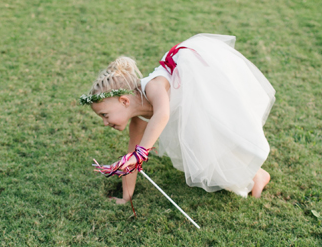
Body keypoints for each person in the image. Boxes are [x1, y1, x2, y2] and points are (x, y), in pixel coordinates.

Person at [81, 33, 275, 204]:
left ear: (124, 101)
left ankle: (257, 172)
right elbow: (131, 158)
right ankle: (257, 176)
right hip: (191, 109)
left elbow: (162, 114)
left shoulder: (153, 86)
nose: (105, 123)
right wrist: (126, 197)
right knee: (206, 151)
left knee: (225, 135)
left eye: (104, 115)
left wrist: (140, 153)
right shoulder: (138, 121)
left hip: (203, 85)